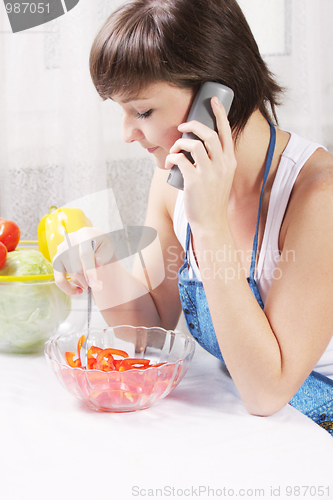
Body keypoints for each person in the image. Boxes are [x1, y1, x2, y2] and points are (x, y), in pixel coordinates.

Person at [53, 0, 333, 433]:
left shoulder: (319, 196)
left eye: (142, 111)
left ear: (215, 98)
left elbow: (266, 392)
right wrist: (100, 260)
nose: (127, 133)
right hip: (259, 432)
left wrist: (209, 224)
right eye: (121, 111)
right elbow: (149, 330)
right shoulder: (172, 181)